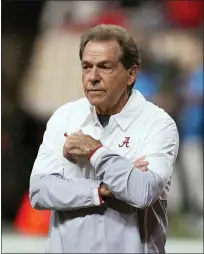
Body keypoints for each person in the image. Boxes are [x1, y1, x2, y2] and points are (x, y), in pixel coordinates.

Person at [29, 24, 179, 253]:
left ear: (131, 74)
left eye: (105, 67)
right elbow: (39, 191)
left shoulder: (158, 124)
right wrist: (101, 190)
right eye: (86, 67)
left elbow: (143, 192)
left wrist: (96, 151)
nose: (93, 78)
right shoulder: (65, 116)